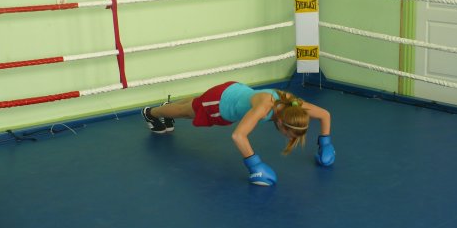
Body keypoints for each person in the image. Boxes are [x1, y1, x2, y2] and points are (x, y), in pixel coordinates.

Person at [141, 81, 335, 186]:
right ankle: (151, 113)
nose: (290, 138)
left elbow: (325, 115)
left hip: (233, 89)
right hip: (220, 104)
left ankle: (167, 107)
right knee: (185, 112)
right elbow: (238, 136)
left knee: (194, 103)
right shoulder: (264, 108)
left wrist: (325, 143)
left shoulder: (294, 105)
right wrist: (255, 166)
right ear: (281, 123)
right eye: (289, 134)